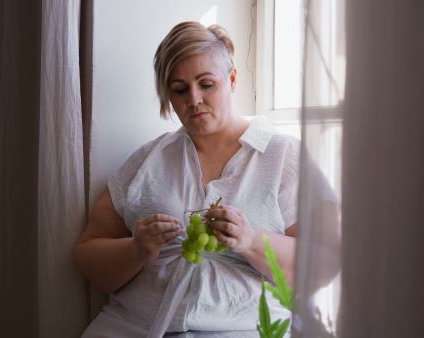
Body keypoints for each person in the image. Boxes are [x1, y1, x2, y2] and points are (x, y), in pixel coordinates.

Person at [75, 21, 340, 337]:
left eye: (207, 84)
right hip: (129, 329)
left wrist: (252, 241)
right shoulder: (147, 160)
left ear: (231, 79)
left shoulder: (285, 157)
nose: (194, 100)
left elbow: (326, 263)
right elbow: (89, 254)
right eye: (180, 89)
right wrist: (135, 250)